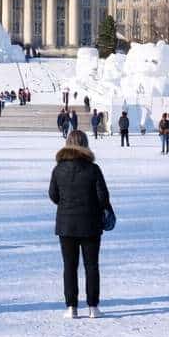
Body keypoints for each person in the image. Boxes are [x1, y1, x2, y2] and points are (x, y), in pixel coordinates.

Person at [49, 129, 112, 319]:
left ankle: (71, 307)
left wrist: (67, 202)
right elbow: (103, 197)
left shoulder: (58, 168)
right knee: (92, 265)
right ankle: (93, 306)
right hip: (90, 223)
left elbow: (53, 195)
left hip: (66, 224)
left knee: (70, 266)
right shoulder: (93, 169)